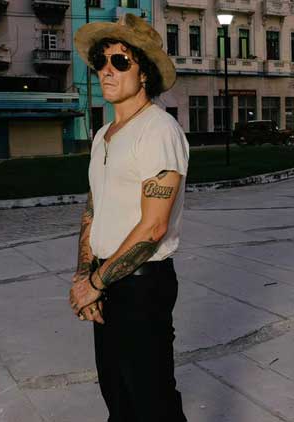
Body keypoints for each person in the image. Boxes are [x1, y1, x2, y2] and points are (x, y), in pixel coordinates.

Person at [69, 13, 189, 422]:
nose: (107, 70)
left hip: (142, 286)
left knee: (153, 403)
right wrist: (84, 276)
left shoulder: (158, 130)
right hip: (106, 279)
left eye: (120, 61)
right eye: (101, 61)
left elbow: (154, 227)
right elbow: (94, 208)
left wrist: (95, 284)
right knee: (118, 400)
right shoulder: (103, 135)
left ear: (145, 73)